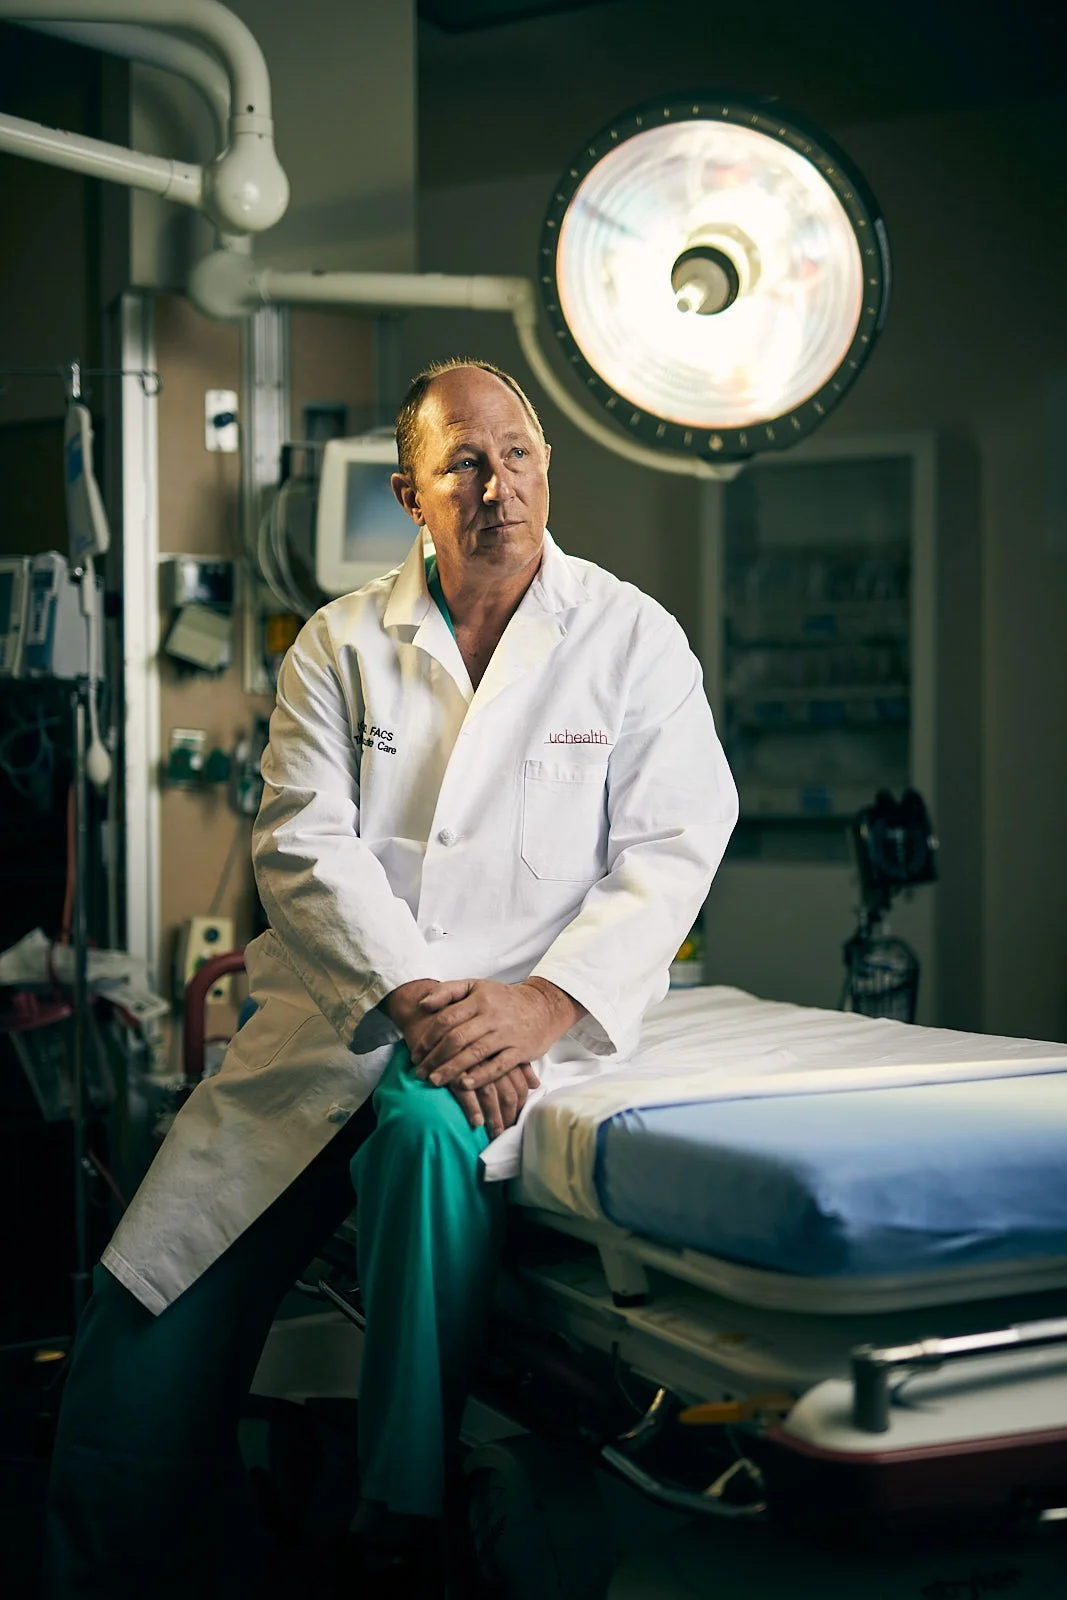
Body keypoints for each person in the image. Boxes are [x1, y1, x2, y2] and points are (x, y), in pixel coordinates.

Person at [43, 358, 738, 1597]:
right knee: (138, 1324)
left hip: (522, 1036)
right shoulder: (341, 641)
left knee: (425, 1135)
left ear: (545, 468)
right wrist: (417, 997)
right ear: (412, 497)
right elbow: (301, 842)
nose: (497, 483)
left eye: (517, 453)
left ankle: (397, 1523)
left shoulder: (630, 639)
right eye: (461, 462)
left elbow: (674, 847)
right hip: (333, 1029)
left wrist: (541, 1002)